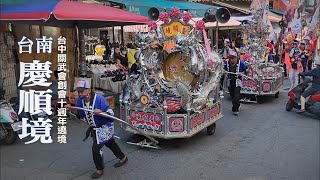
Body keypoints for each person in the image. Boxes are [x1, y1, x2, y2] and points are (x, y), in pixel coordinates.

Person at [69, 80, 128, 179]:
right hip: (95, 129)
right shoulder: (79, 101)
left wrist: (101, 112)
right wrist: (72, 109)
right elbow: (80, 115)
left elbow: (111, 114)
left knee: (96, 149)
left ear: (88, 90)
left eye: (82, 91)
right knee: (110, 143)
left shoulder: (99, 99)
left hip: (105, 127)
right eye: (78, 91)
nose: (80, 94)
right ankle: (123, 157)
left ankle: (99, 169)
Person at [224, 50, 247, 116]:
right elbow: (224, 69)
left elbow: (245, 71)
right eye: (230, 58)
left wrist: (241, 73)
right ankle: (238, 104)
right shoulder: (227, 63)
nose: (231, 60)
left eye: (233, 58)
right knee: (232, 95)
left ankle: (235, 109)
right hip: (230, 81)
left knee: (236, 96)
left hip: (238, 81)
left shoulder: (241, 63)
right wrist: (225, 72)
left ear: (236, 58)